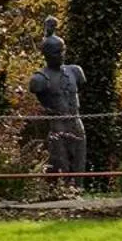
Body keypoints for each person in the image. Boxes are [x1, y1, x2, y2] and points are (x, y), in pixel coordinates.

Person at [28, 16, 87, 177]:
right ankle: (63, 196)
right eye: (56, 52)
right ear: (46, 54)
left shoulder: (75, 71)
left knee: (79, 166)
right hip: (58, 125)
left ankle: (80, 197)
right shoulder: (39, 79)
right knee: (61, 167)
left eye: (63, 50)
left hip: (77, 122)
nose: (61, 55)